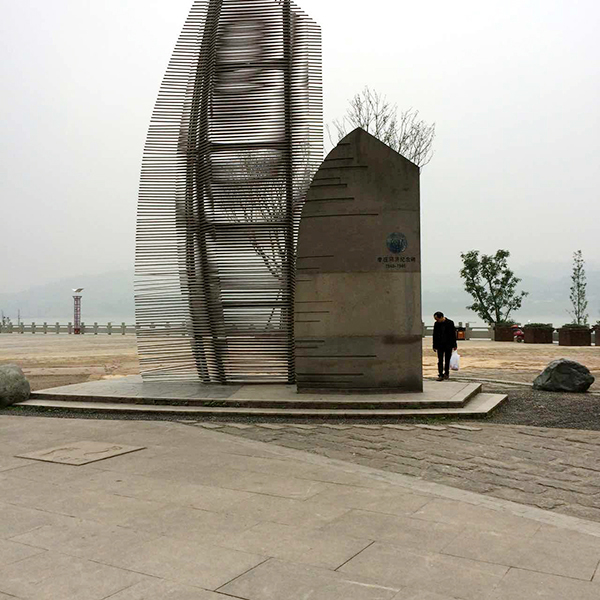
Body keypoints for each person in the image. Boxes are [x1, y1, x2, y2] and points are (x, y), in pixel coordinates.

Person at [432, 311, 457, 381]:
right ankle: (440, 374)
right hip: (439, 345)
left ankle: (446, 373)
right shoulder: (436, 324)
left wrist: (454, 345)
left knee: (447, 360)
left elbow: (453, 334)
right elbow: (434, 335)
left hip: (448, 344)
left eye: (437, 319)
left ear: (441, 317)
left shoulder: (450, 323)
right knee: (440, 360)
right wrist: (434, 345)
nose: (436, 320)